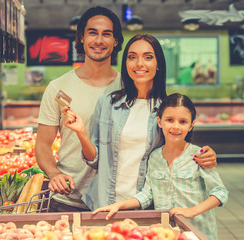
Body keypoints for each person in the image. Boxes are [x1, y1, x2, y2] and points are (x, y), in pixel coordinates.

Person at [63, 34, 218, 211]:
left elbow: (181, 152)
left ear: (158, 64)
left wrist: (207, 155)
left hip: (149, 205)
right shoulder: (108, 104)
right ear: (126, 63)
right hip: (106, 203)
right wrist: (81, 133)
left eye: (148, 57)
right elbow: (95, 160)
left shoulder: (166, 110)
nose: (139, 64)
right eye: (132, 57)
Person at [93, 93, 228, 240]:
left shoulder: (199, 155)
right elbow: (147, 195)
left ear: (191, 125)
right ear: (159, 121)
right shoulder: (154, 157)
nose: (176, 126)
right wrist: (118, 205)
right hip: (168, 233)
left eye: (183, 122)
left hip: (199, 233)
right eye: (170, 120)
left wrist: (192, 211)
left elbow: (220, 192)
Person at [35, 6, 124, 211]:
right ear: (81, 38)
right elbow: (42, 145)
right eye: (92, 33)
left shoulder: (128, 87)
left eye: (107, 34)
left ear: (116, 41)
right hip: (67, 199)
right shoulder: (59, 88)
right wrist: (54, 174)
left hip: (117, 201)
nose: (99, 41)